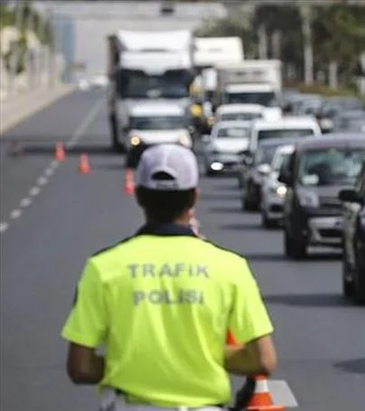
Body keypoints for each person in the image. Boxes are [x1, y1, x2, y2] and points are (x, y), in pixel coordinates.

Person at [61, 144, 277, 410]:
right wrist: (198, 356)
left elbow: (80, 367)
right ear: (194, 197)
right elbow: (262, 360)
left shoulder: (103, 267)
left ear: (139, 196)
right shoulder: (230, 267)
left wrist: (132, 363)